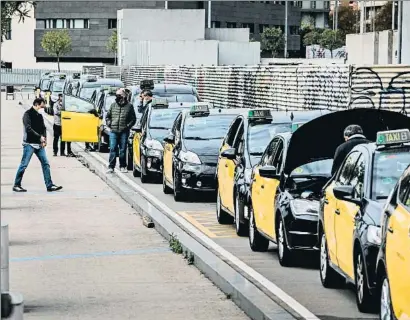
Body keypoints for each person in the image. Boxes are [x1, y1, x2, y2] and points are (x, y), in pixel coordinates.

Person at [13, 98, 63, 192]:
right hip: (29, 144)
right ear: (37, 104)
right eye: (42, 104)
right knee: (24, 164)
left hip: (39, 145)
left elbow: (43, 128)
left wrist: (44, 139)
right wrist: (39, 137)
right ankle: (16, 184)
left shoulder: (40, 115)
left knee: (45, 163)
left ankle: (49, 185)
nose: (43, 105)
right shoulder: (27, 114)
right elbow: (28, 129)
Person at [105, 88, 136, 173]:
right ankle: (111, 166)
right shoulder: (113, 105)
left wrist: (127, 126)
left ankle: (123, 166)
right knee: (113, 148)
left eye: (119, 95)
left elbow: (133, 119)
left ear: (124, 96)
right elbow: (108, 116)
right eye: (117, 95)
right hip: (113, 131)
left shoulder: (129, 106)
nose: (117, 97)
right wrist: (109, 123)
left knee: (122, 149)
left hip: (124, 131)